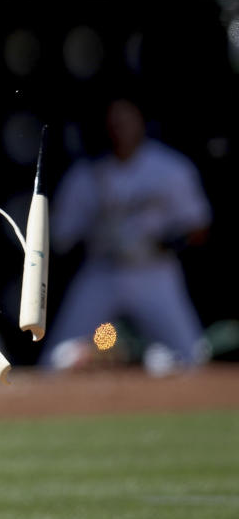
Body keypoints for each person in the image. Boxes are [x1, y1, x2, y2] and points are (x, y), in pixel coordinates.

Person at [40, 96, 212, 374]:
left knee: (191, 355)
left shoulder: (169, 168)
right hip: (102, 271)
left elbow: (198, 226)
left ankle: (151, 369)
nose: (119, 129)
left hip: (154, 271)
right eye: (113, 123)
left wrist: (165, 241)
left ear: (141, 123)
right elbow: (60, 238)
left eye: (126, 121)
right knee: (55, 360)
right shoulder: (85, 175)